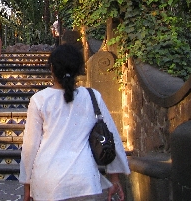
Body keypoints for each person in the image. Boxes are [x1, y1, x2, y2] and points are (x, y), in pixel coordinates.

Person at [19, 44, 130, 201]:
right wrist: (115, 178)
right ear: (79, 69)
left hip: (48, 182)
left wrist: (27, 185)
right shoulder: (92, 97)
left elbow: (30, 146)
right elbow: (112, 137)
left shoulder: (40, 100)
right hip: (85, 180)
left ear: (51, 69)